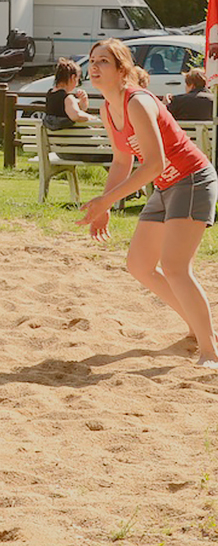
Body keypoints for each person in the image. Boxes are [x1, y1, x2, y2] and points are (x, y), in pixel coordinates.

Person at [79, 39, 218, 368]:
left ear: (122, 70)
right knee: (139, 265)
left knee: (174, 266)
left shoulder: (137, 102)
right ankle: (197, 328)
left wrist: (106, 200)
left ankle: (210, 351)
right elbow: (120, 162)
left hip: (192, 179)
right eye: (92, 61)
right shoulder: (107, 109)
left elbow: (154, 163)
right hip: (167, 185)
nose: (94, 67)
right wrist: (105, 207)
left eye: (103, 62)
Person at [42, 58, 96, 130]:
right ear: (73, 77)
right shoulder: (67, 98)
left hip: (55, 138)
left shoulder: (50, 94)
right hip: (71, 138)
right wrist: (92, 118)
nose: (77, 84)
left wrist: (82, 101)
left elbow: (72, 109)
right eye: (77, 80)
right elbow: (76, 115)